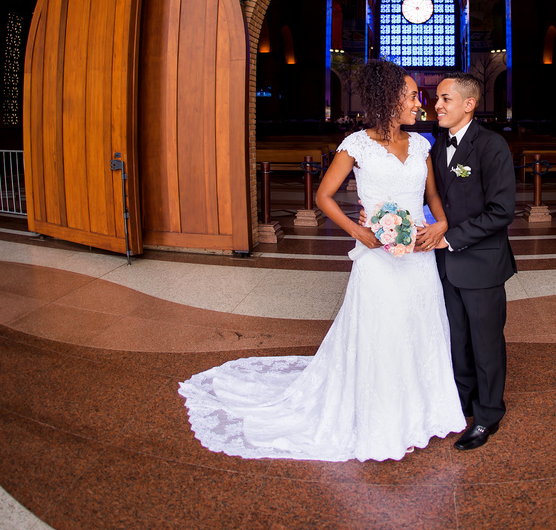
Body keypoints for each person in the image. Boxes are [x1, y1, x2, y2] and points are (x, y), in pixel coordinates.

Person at [178, 59, 465, 461]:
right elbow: (323, 197)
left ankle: (423, 409)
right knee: (381, 330)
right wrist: (359, 231)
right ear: (389, 99)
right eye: (412, 95)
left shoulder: (421, 145)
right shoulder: (357, 144)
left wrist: (441, 223)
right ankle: (378, 416)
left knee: (420, 325)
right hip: (376, 258)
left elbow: (432, 196)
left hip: (417, 255)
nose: (420, 102)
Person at [423, 73, 517, 451]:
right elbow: (430, 198)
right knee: (457, 338)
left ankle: (489, 414)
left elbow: (501, 211)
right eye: (436, 99)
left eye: (445, 99)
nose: (437, 106)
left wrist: (449, 237)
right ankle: (461, 403)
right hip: (446, 265)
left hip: (481, 264)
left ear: (469, 103)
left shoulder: (492, 146)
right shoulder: (436, 145)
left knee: (486, 343)